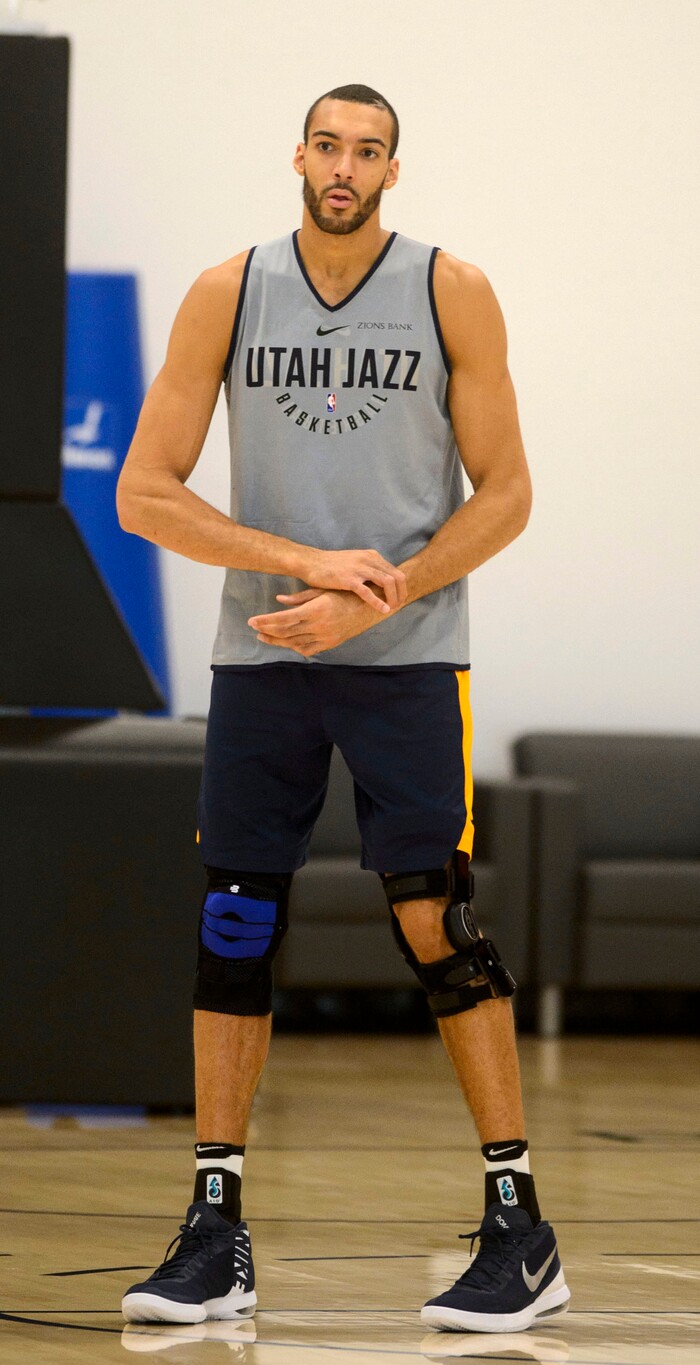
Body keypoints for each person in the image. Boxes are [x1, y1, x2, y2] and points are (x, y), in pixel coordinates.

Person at [116, 82, 570, 1335]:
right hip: (262, 656)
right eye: (329, 145)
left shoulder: (448, 290)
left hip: (411, 659)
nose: (345, 168)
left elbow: (508, 491)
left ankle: (519, 1227)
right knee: (233, 918)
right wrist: (307, 564)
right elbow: (144, 494)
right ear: (299, 154)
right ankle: (215, 1229)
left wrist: (385, 592)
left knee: (436, 921)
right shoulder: (229, 290)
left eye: (369, 152)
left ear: (392, 171)